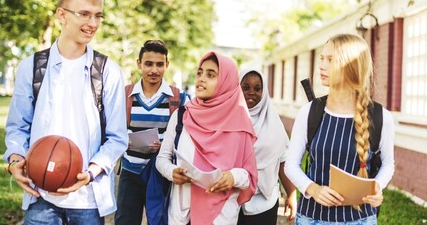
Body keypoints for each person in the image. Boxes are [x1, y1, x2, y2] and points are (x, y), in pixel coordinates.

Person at [3, 0, 128, 224]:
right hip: (40, 194)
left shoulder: (108, 71)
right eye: (84, 14)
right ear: (62, 15)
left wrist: (91, 172)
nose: (93, 23)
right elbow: (17, 126)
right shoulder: (32, 66)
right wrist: (16, 160)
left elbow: (117, 137)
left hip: (88, 200)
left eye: (97, 15)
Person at [285, 33, 395, 224]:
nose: (321, 65)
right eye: (322, 58)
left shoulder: (380, 116)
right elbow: (290, 165)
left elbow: (388, 164)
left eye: (330, 59)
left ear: (351, 65)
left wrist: (377, 187)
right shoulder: (309, 112)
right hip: (311, 218)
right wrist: (313, 189)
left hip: (361, 219)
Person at [156, 51, 258, 225]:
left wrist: (233, 177)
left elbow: (249, 175)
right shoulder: (182, 115)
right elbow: (162, 158)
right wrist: (172, 172)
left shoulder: (239, 123)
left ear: (226, 82)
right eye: (200, 73)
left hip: (220, 217)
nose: (201, 78)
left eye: (210, 75)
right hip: (180, 216)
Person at [115, 40, 188, 225]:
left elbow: (186, 136)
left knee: (160, 221)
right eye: (148, 64)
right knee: (125, 221)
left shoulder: (179, 99)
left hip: (160, 175)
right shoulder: (125, 95)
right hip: (130, 172)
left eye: (159, 64)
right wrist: (123, 140)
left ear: (167, 65)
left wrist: (165, 145)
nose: (154, 70)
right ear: (139, 64)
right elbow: (113, 130)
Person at [237, 68, 297, 224]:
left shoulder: (273, 123)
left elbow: (283, 160)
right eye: (245, 87)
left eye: (257, 88)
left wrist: (291, 195)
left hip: (264, 204)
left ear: (264, 93)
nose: (251, 92)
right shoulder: (229, 120)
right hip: (231, 202)